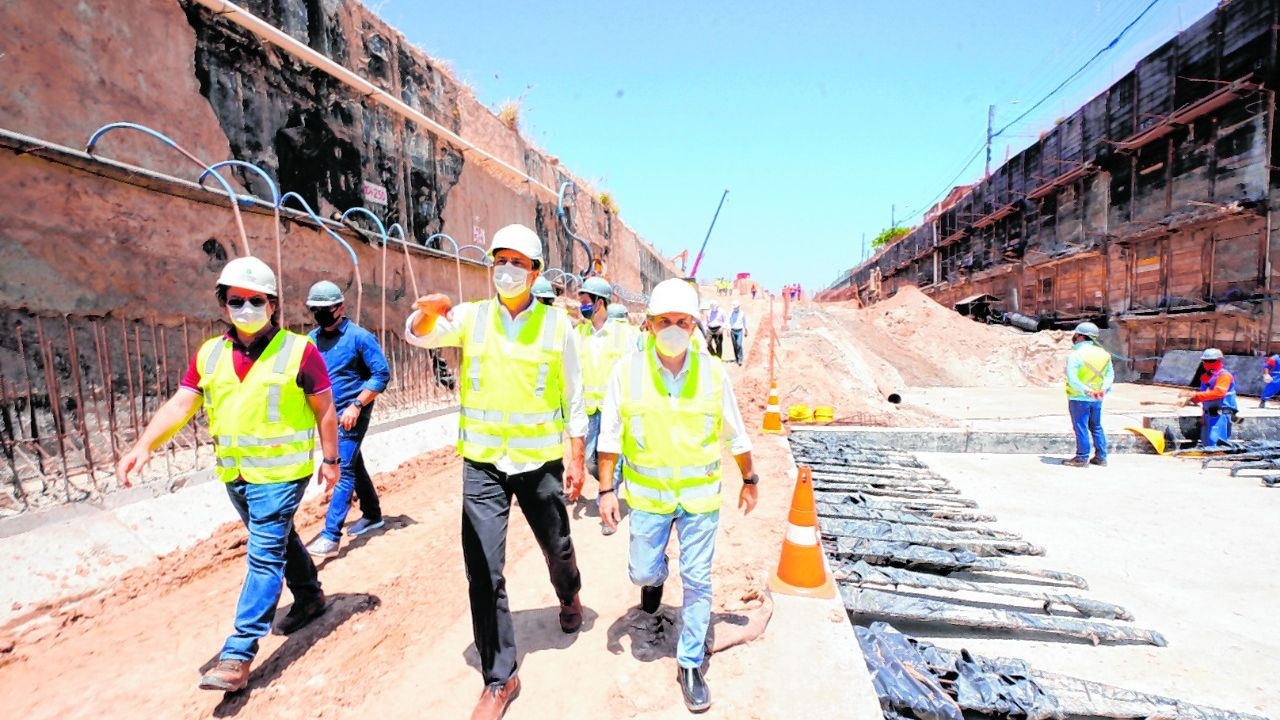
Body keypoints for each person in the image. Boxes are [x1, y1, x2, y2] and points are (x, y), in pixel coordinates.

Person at [115, 256, 338, 693]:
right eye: (237, 300)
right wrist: (144, 445)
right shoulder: (210, 354)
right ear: (223, 305)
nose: (247, 307)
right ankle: (309, 596)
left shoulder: (299, 350)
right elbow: (182, 404)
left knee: (263, 552)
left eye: (257, 300)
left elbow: (324, 407)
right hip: (236, 474)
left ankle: (238, 653)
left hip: (282, 474)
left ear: (273, 305)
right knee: (276, 539)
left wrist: (331, 460)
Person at [404, 223, 586, 720]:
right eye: (499, 261)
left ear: (535, 272)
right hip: (483, 463)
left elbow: (574, 395)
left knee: (558, 546)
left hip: (538, 461)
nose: (506, 271)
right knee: (483, 568)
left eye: (517, 263)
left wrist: (576, 455)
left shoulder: (557, 326)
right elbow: (421, 337)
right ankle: (500, 677)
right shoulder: (472, 316)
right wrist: (427, 314)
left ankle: (569, 593)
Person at [597, 278, 759, 714]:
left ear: (694, 326)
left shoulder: (712, 373)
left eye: (682, 321)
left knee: (699, 580)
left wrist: (750, 479)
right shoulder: (626, 373)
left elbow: (735, 433)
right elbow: (609, 436)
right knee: (641, 572)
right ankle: (655, 578)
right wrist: (606, 490)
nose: (673, 328)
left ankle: (689, 664)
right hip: (649, 500)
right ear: (648, 325)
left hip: (700, 502)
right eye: (664, 320)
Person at [303, 281, 392, 558]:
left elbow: (381, 375)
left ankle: (331, 535)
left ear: (340, 307)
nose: (320, 314)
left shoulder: (360, 337)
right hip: (327, 415)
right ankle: (373, 514)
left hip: (351, 414)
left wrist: (356, 404)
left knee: (342, 467)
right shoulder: (311, 341)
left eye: (325, 309)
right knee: (353, 460)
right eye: (314, 310)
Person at [577, 277, 629, 535]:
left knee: (612, 458)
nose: (581, 306)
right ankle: (608, 484)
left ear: (599, 303)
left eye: (585, 302)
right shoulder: (580, 333)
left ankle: (607, 506)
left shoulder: (623, 334)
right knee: (590, 460)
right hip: (590, 409)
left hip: (615, 410)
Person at [1061, 322, 1113, 468]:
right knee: (1096, 426)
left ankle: (1082, 457)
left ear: (1080, 336)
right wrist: (1103, 390)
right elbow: (1109, 376)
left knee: (1081, 426)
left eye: (1076, 335)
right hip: (1097, 397)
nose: (1074, 337)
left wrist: (1085, 390)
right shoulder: (1104, 354)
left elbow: (1072, 377)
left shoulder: (1075, 354)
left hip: (1079, 397)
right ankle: (1101, 457)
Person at [1188, 348, 1238, 446]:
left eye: (1211, 361)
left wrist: (1196, 395)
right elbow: (1205, 397)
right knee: (1206, 443)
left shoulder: (1224, 376)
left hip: (1220, 415)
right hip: (1208, 415)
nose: (1208, 363)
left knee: (1215, 442)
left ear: (1219, 361)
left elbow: (1219, 392)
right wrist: (1193, 399)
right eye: (1205, 361)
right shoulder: (1205, 377)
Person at [727, 300, 748, 365]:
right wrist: (728, 330)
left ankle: (740, 359)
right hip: (733, 331)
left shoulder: (742, 313)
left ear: (739, 307)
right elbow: (728, 322)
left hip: (740, 331)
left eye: (736, 307)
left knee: (739, 344)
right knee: (735, 345)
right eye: (734, 308)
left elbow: (744, 322)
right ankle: (737, 358)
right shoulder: (730, 313)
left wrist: (746, 330)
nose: (735, 309)